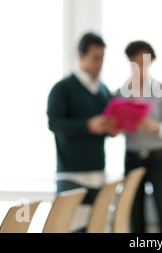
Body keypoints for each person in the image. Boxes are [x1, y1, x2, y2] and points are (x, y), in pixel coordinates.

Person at [47, 32, 119, 204]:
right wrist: (87, 126)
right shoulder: (62, 88)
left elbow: (106, 125)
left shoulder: (103, 90)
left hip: (98, 175)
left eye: (102, 58)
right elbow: (55, 124)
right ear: (81, 56)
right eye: (95, 58)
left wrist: (111, 129)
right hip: (71, 177)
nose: (99, 64)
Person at [116, 40, 162, 233]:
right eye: (136, 61)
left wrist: (156, 127)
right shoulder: (119, 94)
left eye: (144, 61)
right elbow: (114, 127)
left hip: (158, 158)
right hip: (132, 159)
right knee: (135, 217)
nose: (140, 66)